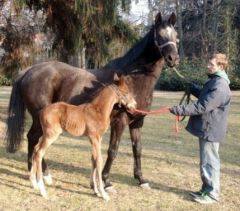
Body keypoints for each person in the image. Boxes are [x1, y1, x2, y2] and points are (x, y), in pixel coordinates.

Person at [169, 53, 231, 204]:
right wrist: (194, 88)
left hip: (211, 129)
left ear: (220, 66)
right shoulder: (215, 81)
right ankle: (206, 189)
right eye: (209, 63)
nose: (208, 66)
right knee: (206, 161)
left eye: (211, 64)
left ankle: (212, 194)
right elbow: (205, 96)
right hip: (208, 127)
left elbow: (203, 106)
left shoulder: (220, 86)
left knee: (210, 162)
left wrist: (180, 109)